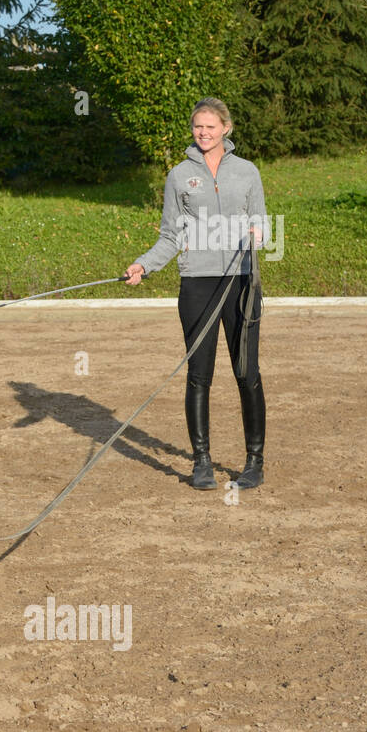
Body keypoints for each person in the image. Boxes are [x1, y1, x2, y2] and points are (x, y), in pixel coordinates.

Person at [124, 97, 267, 492]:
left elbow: (264, 224)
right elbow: (170, 235)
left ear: (226, 128)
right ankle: (201, 462)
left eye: (210, 126)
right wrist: (144, 265)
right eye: (197, 127)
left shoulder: (247, 172)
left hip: (241, 282)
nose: (203, 133)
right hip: (198, 284)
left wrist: (258, 234)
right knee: (199, 375)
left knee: (246, 372)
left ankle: (254, 461)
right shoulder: (178, 176)